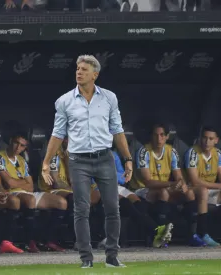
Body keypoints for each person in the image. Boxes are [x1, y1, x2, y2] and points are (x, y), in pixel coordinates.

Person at [41, 54, 133, 268]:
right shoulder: (64, 101)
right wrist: (46, 162)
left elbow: (118, 131)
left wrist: (127, 159)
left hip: (104, 158)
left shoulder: (109, 98)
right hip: (78, 160)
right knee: (81, 209)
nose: (79, 72)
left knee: (112, 207)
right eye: (77, 68)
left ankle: (112, 257)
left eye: (84, 69)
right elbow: (57, 134)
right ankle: (86, 259)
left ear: (95, 75)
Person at [131, 123, 204, 247]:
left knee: (189, 192)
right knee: (164, 192)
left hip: (164, 186)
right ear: (151, 136)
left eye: (162, 135)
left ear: (167, 137)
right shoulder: (143, 152)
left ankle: (192, 235)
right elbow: (148, 181)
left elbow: (179, 176)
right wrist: (172, 183)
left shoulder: (171, 151)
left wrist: (181, 184)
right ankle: (159, 236)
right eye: (155, 135)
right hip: (142, 189)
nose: (159, 139)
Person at [0, 132, 67, 253]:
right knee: (30, 199)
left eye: (22, 145)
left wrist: (19, 183)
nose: (18, 147)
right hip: (11, 193)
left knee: (61, 202)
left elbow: (30, 186)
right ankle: (29, 241)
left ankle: (49, 240)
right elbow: (9, 184)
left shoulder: (21, 160)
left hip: (26, 192)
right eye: (16, 143)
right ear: (10, 141)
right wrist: (21, 183)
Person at [98, 143, 173, 250]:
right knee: (124, 202)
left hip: (116, 185)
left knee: (137, 202)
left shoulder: (113, 154)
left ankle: (154, 234)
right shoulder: (90, 156)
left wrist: (112, 175)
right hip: (99, 187)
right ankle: (156, 230)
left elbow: (122, 176)